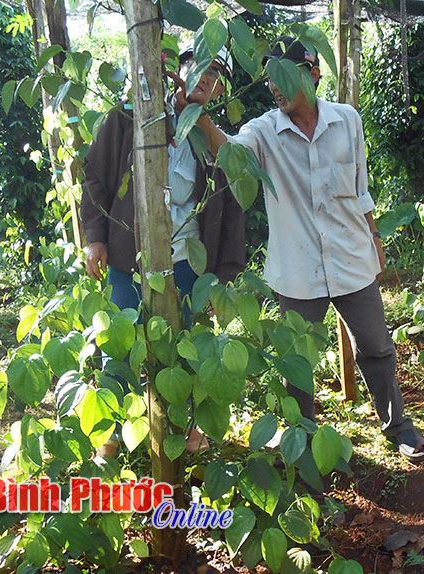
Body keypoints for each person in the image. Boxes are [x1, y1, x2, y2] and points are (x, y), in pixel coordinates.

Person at [188, 36, 424, 461]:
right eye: (270, 81)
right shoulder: (264, 131)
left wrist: (374, 238)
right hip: (298, 270)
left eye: (283, 77)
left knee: (376, 347)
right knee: (297, 365)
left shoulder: (347, 121)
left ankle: (397, 427)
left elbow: (360, 188)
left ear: (313, 72)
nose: (274, 88)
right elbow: (231, 156)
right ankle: (303, 441)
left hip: (351, 257)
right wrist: (199, 114)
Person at [82, 47, 247, 454]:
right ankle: (110, 433)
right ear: (180, 71)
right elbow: (95, 174)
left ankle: (188, 427)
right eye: (200, 69)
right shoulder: (129, 117)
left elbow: (230, 207)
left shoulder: (209, 138)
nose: (207, 80)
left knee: (188, 344)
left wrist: (222, 277)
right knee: (119, 342)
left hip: (186, 262)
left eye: (216, 76)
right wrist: (95, 237)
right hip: (129, 256)